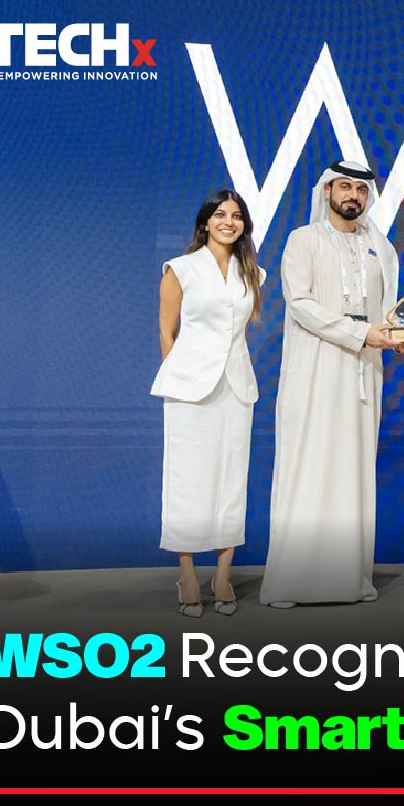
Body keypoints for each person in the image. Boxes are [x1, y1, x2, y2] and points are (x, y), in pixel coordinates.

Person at [259, 161, 398, 608]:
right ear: (327, 191)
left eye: (361, 188)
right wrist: (360, 333)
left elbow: (389, 310)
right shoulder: (303, 240)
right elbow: (300, 304)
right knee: (309, 459)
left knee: (354, 466)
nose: (353, 195)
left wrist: (396, 334)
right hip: (316, 364)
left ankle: (351, 579)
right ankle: (290, 583)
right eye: (345, 186)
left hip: (365, 368)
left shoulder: (380, 247)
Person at [152, 189, 265, 617]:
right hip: (189, 390)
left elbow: (238, 332)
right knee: (187, 481)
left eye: (236, 216)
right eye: (220, 214)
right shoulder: (180, 269)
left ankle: (222, 576)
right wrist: (184, 377)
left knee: (230, 481)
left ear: (244, 225)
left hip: (236, 388)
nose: (228, 222)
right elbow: (167, 333)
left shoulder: (253, 273)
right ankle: (186, 574)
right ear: (205, 222)